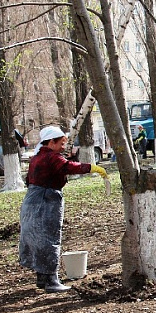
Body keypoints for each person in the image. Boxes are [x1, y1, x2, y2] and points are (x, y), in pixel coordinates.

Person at [19, 125, 108, 293]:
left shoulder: (37, 157)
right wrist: (92, 168)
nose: (63, 147)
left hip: (31, 201)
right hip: (47, 201)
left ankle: (42, 278)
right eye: (60, 143)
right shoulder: (52, 157)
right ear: (51, 142)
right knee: (49, 237)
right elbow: (69, 167)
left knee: (38, 239)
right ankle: (52, 280)